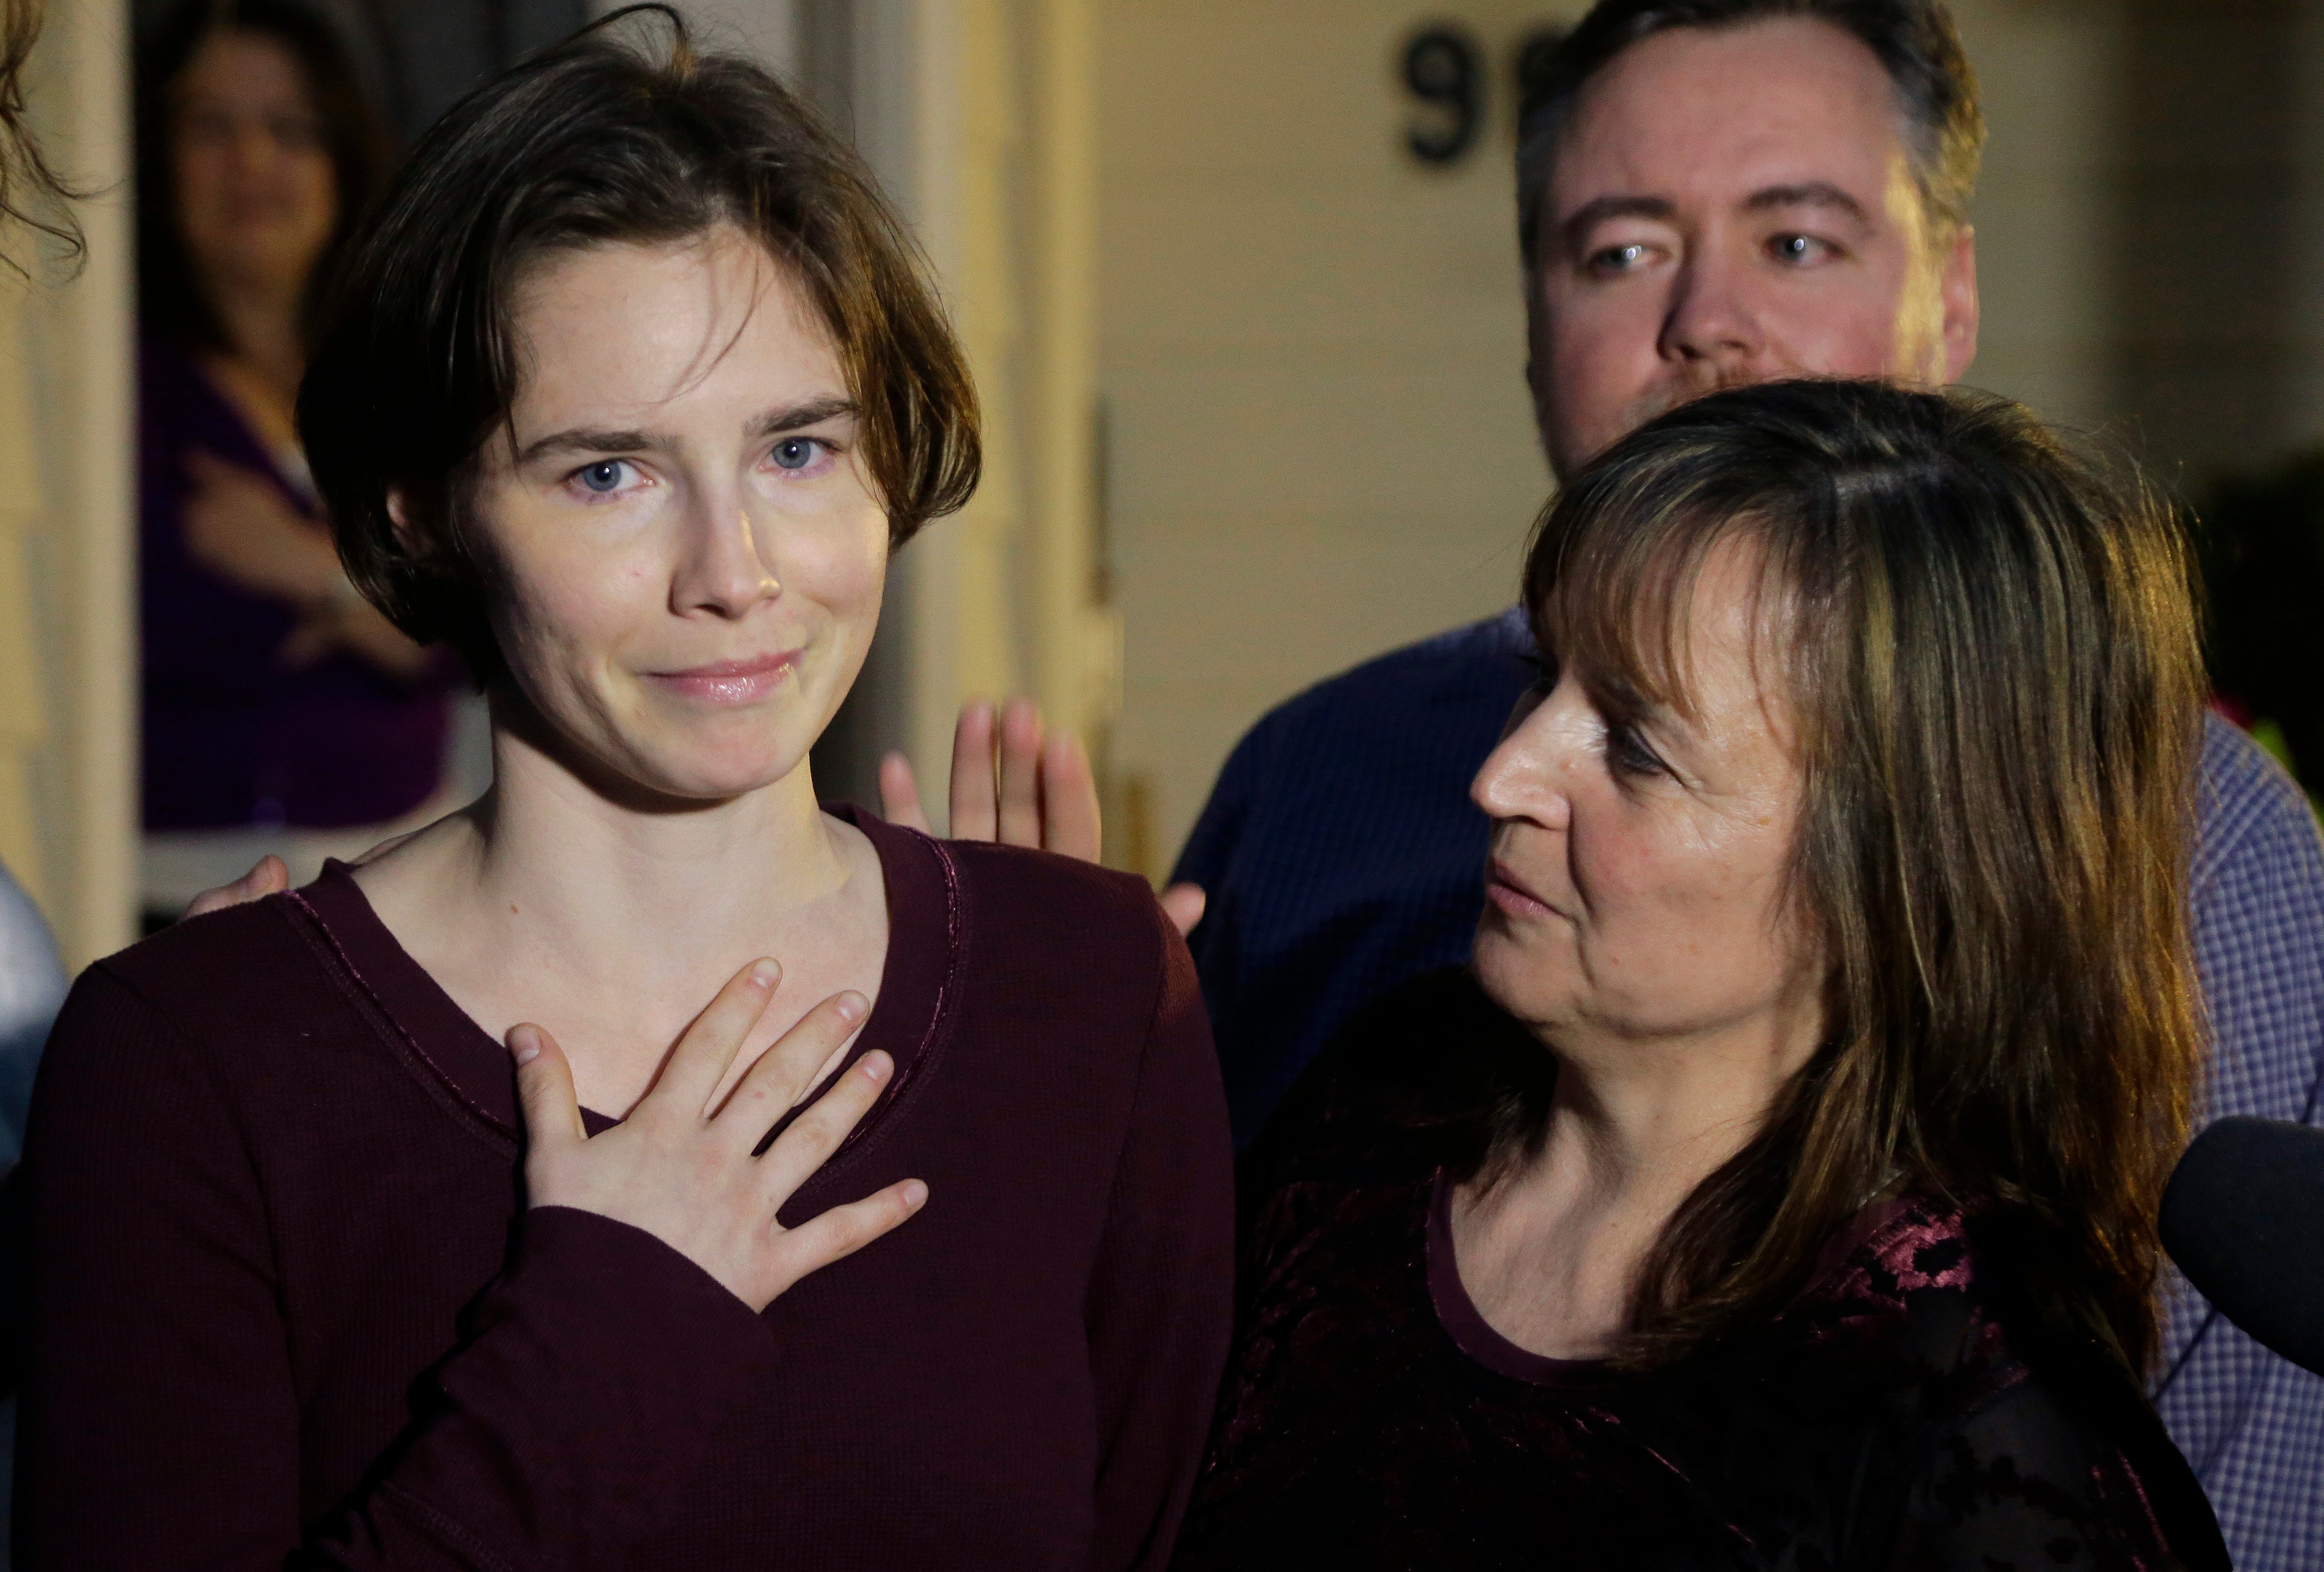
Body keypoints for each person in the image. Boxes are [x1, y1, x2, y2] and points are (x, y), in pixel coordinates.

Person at [16, 14, 1230, 1569]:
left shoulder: (1098, 996)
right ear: (429, 512)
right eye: (608, 473)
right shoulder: (191, 1070)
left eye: (796, 449)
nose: (734, 577)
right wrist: (611, 1325)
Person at [1168, 1, 2324, 1561]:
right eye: (1621, 250)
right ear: (1527, 321)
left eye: (1792, 243)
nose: (1707, 322)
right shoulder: (1317, 798)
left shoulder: (2208, 854)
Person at [1175, 377, 2228, 1570]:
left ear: (1894, 873)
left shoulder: (1971, 1425)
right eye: (1542, 677)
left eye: (1634, 746)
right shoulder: (1388, 1091)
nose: (1503, 774)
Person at [135, 0, 459, 925]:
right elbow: (157, 629)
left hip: (401, 879)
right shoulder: (119, 384)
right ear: (160, 155)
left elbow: (469, 625)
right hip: (169, 890)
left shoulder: (405, 379)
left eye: (289, 129)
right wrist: (371, 605)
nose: (251, 163)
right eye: (212, 127)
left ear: (342, 160)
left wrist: (296, 564)